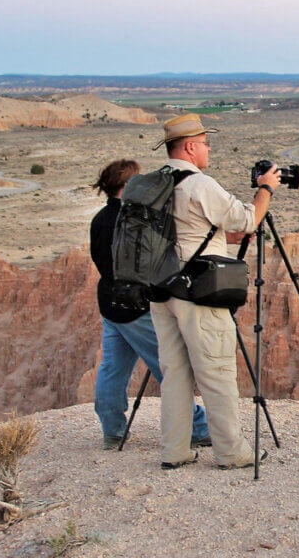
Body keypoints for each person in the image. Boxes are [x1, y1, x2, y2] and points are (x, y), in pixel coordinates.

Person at [149, 114, 280, 470]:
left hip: (162, 292)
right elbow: (247, 220)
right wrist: (265, 188)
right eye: (206, 144)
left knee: (175, 375)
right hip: (198, 294)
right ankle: (231, 452)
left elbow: (192, 230)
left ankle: (174, 450)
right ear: (190, 147)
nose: (209, 150)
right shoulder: (199, 184)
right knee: (217, 372)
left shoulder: (155, 182)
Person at [90, 159, 211, 451]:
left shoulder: (100, 218)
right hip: (138, 308)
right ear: (128, 185)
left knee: (112, 370)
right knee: (171, 369)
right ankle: (198, 429)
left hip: (111, 304)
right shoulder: (133, 220)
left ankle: (113, 431)